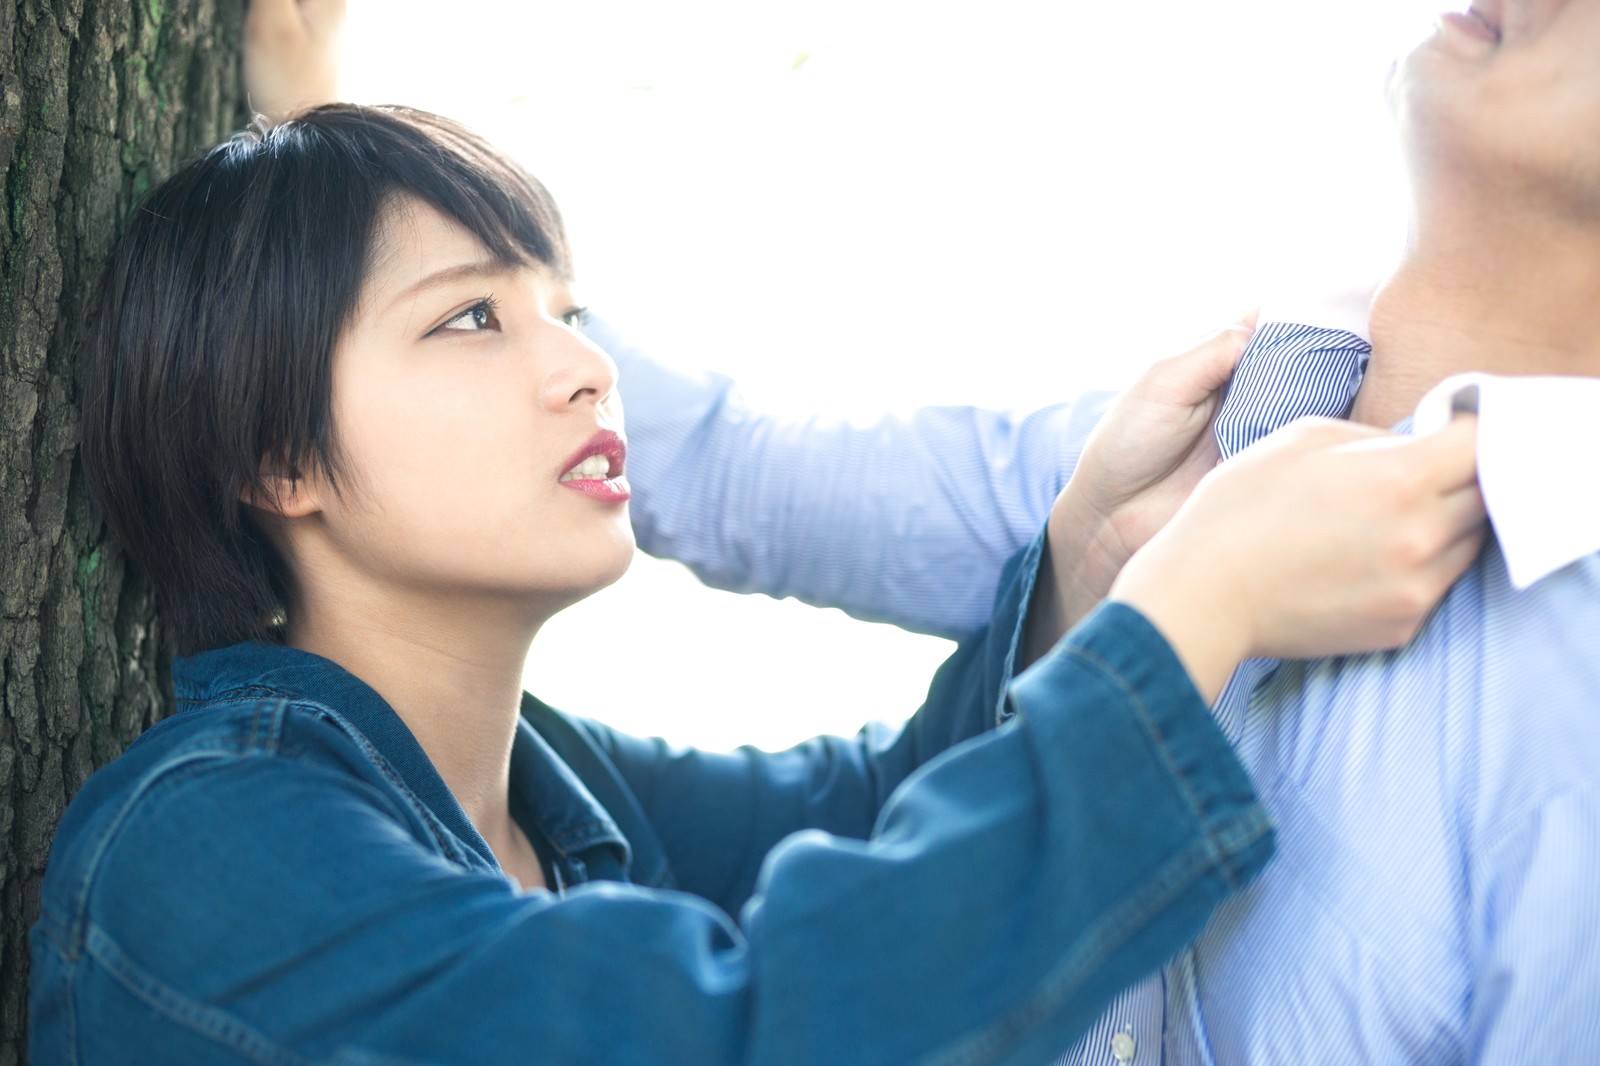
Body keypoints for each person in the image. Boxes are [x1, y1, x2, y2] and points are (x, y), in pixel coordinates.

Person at [241, 1, 1600, 1062]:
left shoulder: (1568, 686)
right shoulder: (1191, 428)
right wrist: (328, 223)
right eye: (480, 321)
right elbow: (720, 466)